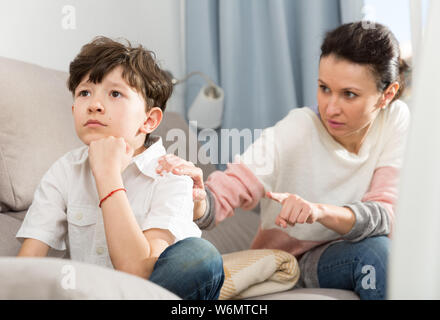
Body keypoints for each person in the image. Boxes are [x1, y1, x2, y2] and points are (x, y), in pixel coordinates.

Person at [156, 22, 410, 300]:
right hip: (296, 260)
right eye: (324, 88)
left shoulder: (395, 119)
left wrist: (320, 212)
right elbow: (228, 190)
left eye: (349, 94)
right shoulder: (296, 130)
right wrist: (198, 198)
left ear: (387, 95)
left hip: (356, 246)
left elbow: (385, 215)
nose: (331, 107)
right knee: (375, 253)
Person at [16, 36, 224, 300]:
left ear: (149, 120)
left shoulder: (172, 175)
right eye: (84, 93)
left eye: (115, 93)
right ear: (73, 109)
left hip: (145, 293)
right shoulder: (64, 170)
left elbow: (137, 273)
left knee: (199, 256)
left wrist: (108, 175)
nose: (94, 104)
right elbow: (27, 265)